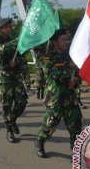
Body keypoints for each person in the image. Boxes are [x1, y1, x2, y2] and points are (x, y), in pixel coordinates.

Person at [35, 29, 83, 158]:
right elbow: (52, 73)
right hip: (55, 97)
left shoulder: (71, 55)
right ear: (55, 42)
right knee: (50, 124)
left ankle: (75, 151)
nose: (66, 41)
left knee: (76, 125)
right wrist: (69, 69)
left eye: (66, 39)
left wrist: (76, 80)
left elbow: (79, 75)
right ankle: (40, 140)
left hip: (71, 96)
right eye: (63, 39)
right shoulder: (47, 56)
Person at [0, 18, 28, 143]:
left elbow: (21, 56)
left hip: (16, 76)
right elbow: (0, 48)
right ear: (1, 29)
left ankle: (11, 120)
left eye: (9, 26)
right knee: (6, 105)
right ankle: (9, 130)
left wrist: (17, 63)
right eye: (6, 27)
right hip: (5, 77)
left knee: (22, 102)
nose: (9, 28)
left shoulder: (15, 38)